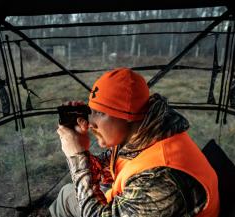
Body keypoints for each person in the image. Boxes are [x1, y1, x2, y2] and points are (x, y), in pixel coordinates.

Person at [51, 67, 219, 217]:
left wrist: (77, 156)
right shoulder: (141, 136)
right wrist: (80, 149)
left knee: (70, 197)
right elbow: (103, 171)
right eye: (90, 111)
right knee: (68, 194)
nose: (91, 122)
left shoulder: (163, 178)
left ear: (129, 117)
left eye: (100, 113)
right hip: (127, 203)